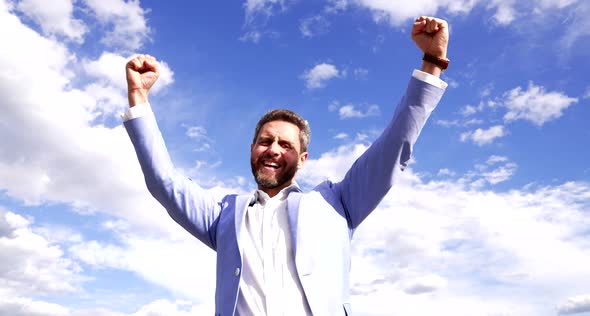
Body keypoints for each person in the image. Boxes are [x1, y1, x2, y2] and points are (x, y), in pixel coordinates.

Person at [123, 16, 450, 316]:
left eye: (286, 145)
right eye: (265, 141)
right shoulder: (223, 216)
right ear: (252, 149)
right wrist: (138, 97)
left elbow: (393, 147)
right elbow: (164, 182)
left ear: (303, 159)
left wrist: (431, 64)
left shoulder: (339, 203)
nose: (273, 150)